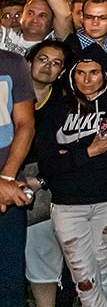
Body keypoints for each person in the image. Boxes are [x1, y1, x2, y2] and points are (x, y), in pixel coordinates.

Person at [34, 44, 107, 307]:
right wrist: (88, 151)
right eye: (81, 72)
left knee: (102, 269)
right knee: (83, 277)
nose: (87, 79)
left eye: (94, 72)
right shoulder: (55, 108)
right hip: (67, 205)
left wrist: (71, 155)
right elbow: (49, 164)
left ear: (105, 74)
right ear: (71, 74)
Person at [21, 41, 68, 307]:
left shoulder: (63, 105)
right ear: (29, 62)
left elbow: (67, 155)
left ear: (61, 72)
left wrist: (41, 180)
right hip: (8, 178)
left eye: (56, 63)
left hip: (45, 187)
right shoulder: (9, 95)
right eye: (43, 59)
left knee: (43, 259)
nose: (47, 66)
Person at [0, 48, 36, 307]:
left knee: (11, 282)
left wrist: (7, 178)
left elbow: (25, 125)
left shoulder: (13, 63)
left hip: (9, 193)